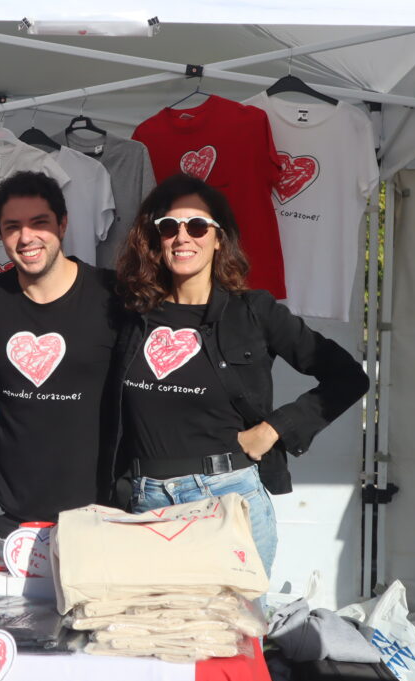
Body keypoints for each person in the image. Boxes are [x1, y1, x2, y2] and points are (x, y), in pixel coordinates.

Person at [113, 173, 369, 576]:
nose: (183, 237)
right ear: (155, 239)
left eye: (197, 226)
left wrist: (274, 428)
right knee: (153, 634)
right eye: (169, 227)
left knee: (230, 636)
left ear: (218, 238)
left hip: (226, 499)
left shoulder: (253, 312)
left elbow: (349, 377)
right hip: (144, 503)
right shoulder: (130, 316)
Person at [0, 171, 121, 537]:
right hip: (11, 510)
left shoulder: (111, 293)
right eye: (12, 227)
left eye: (39, 223)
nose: (26, 238)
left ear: (63, 224)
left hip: (95, 508)